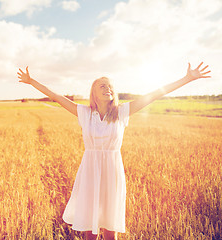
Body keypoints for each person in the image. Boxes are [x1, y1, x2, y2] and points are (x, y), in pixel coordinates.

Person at [17, 63, 211, 240]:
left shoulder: (122, 112)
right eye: (102, 86)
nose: (107, 89)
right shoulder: (85, 113)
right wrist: (31, 81)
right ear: (93, 92)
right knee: (89, 228)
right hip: (90, 170)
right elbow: (56, 97)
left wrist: (187, 79)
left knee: (111, 228)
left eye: (110, 86)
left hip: (112, 171)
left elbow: (153, 95)